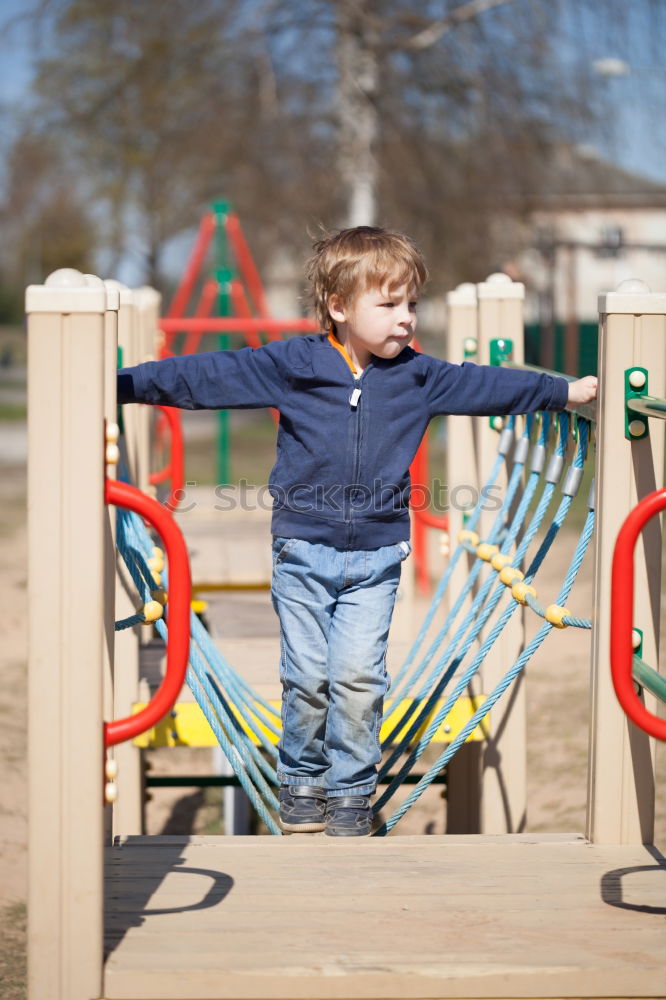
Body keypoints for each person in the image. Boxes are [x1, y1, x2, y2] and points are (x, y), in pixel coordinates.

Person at [117, 226, 597, 837]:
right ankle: (303, 780)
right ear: (339, 308)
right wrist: (123, 386)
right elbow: (209, 377)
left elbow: (488, 384)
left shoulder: (420, 377)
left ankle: (350, 790)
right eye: (389, 304)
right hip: (302, 550)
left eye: (412, 304)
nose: (405, 319)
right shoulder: (294, 365)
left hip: (376, 557)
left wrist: (561, 391)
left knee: (359, 676)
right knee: (306, 675)